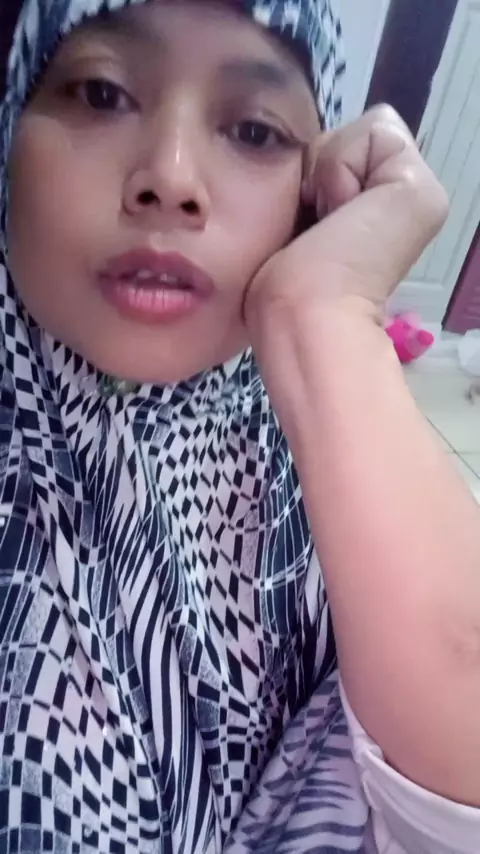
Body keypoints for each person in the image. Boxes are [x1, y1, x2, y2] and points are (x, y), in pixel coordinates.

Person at [0, 0, 479, 852]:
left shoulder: (300, 440)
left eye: (255, 132)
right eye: (102, 94)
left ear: (311, 198)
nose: (170, 177)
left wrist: (323, 314)